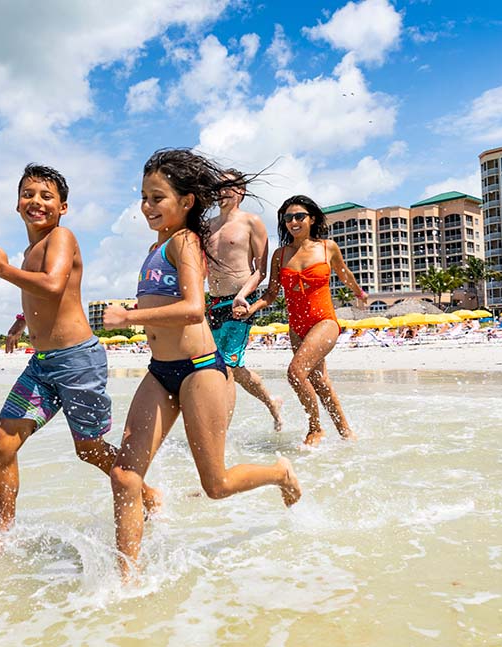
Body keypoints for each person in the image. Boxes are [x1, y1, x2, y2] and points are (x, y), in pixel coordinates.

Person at [104, 149, 301, 579]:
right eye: (144, 197)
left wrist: (128, 318)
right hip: (160, 372)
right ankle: (127, 581)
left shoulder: (185, 241)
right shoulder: (156, 245)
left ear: (186, 201)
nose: (147, 206)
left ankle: (280, 473)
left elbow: (194, 309)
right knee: (124, 475)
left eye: (158, 197)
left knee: (216, 485)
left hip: (199, 370)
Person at [0, 163, 160, 538]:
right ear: (16, 205)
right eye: (28, 194)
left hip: (78, 360)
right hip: (43, 363)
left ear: (63, 207)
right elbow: (38, 297)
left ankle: (146, 492)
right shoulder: (32, 248)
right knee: (0, 442)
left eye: (47, 196)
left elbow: (52, 284)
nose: (36, 201)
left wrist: (3, 270)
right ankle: (2, 536)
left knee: (90, 449)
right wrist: (19, 323)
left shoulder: (61, 237)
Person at [243, 195, 367, 446]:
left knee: (296, 373)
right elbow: (271, 294)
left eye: (299, 216)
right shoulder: (280, 254)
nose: (293, 222)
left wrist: (359, 293)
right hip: (297, 328)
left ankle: (315, 428)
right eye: (288, 218)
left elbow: (344, 274)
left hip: (324, 322)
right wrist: (251, 308)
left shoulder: (327, 247)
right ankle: (345, 432)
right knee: (320, 381)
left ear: (312, 219)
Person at [206, 169, 282, 432]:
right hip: (213, 303)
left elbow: (261, 270)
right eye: (218, 186)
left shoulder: (252, 222)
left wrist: (242, 295)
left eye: (228, 186)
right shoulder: (208, 227)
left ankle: (219, 432)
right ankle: (272, 402)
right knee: (231, 368)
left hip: (240, 303)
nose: (222, 191)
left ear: (242, 191)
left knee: (225, 367)